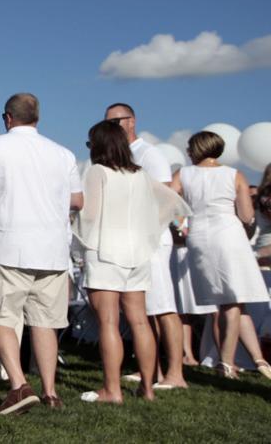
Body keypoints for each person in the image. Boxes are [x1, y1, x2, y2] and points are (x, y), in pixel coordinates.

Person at [0, 93, 83, 413]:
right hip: (53, 250)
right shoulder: (63, 154)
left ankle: (18, 385)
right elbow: (78, 201)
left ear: (7, 118)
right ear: (37, 118)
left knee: (3, 317)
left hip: (9, 246)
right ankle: (51, 391)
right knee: (45, 323)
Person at [75, 121, 190, 404]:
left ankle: (112, 390)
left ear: (99, 145)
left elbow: (89, 215)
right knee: (140, 321)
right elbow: (172, 202)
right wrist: (146, 231)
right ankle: (148, 388)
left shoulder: (97, 172)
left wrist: (78, 246)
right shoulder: (139, 175)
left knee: (109, 322)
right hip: (137, 252)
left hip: (104, 251)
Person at [104, 103, 188, 388]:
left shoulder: (150, 154)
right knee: (142, 308)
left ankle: (176, 372)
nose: (114, 126)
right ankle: (152, 369)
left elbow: (168, 197)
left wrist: (148, 229)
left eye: (119, 120)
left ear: (132, 121)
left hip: (151, 239)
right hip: (132, 240)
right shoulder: (121, 155)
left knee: (163, 305)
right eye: (109, 122)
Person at [175, 131, 271, 379]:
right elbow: (248, 216)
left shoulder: (184, 174)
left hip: (199, 237)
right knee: (233, 299)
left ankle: (259, 359)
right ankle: (227, 362)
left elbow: (166, 199)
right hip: (229, 235)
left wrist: (179, 223)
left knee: (235, 301)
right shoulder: (233, 174)